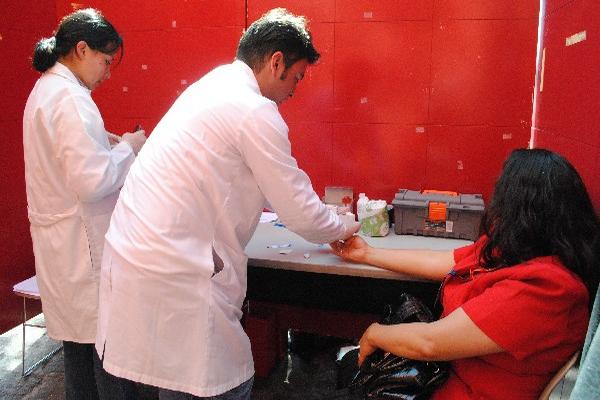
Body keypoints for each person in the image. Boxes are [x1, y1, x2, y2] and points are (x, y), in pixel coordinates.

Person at [95, 8, 360, 400]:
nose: (295, 90)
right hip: (177, 277)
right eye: (297, 77)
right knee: (220, 386)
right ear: (276, 62)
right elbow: (300, 211)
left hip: (136, 266)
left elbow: (255, 181)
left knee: (167, 381)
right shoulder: (255, 110)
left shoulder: (211, 87)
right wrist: (345, 225)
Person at [331, 148, 600, 399]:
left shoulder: (548, 291)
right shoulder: (514, 250)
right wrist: (366, 254)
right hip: (440, 375)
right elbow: (446, 261)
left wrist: (374, 334)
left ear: (522, 210)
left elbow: (430, 343)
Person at [23, 8, 146, 400]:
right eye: (106, 61)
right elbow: (93, 182)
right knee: (108, 357)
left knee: (78, 351)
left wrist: (103, 143)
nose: (108, 73)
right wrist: (129, 147)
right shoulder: (71, 98)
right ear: (81, 49)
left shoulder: (46, 90)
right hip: (82, 248)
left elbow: (69, 163)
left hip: (64, 247)